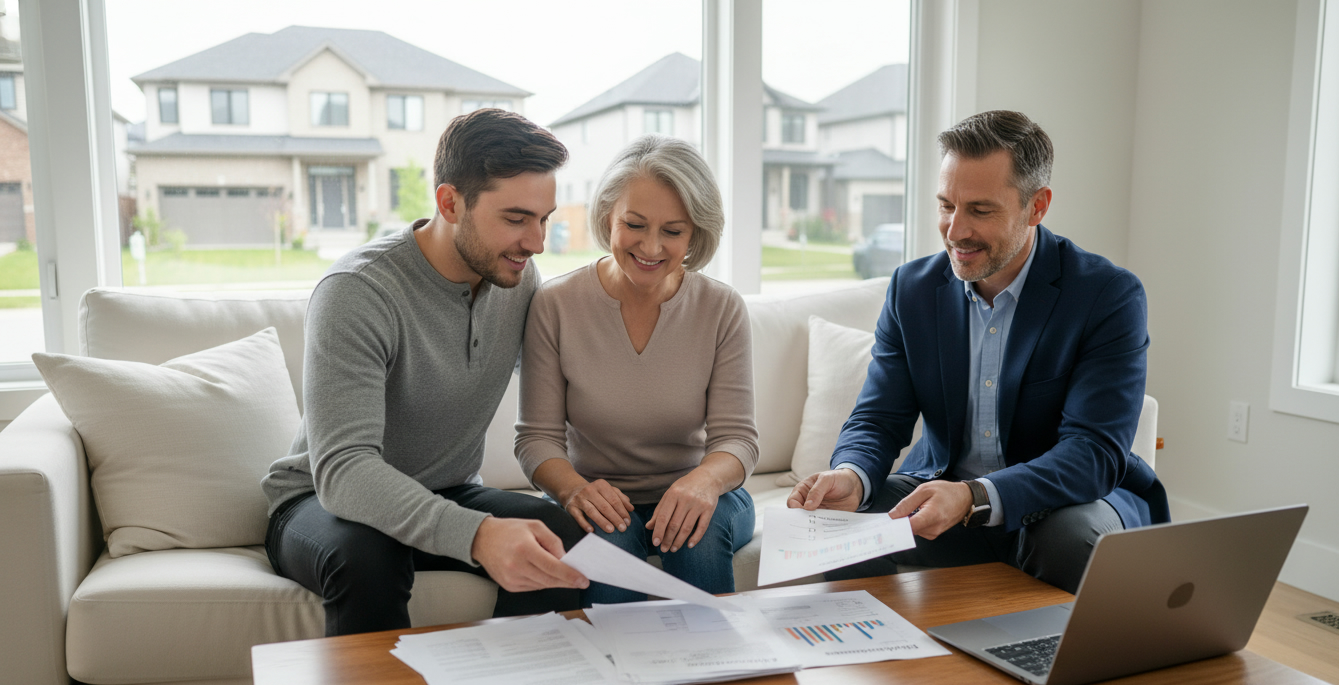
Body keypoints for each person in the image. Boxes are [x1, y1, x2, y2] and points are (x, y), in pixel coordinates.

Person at [787, 110, 1168, 594]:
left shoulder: (1106, 295)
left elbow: (1093, 452)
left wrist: (974, 498)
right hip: (943, 490)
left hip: (1067, 503)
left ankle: (1050, 663)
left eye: (980, 211)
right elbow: (878, 418)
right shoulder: (913, 289)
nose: (955, 230)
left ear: (1037, 206)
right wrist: (852, 475)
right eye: (946, 205)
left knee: (1070, 539)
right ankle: (884, 655)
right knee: (842, 519)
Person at [262, 109, 590, 637]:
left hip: (448, 489)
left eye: (544, 218)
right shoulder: (358, 291)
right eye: (516, 218)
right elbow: (345, 471)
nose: (536, 243)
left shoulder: (518, 279)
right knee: (368, 555)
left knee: (560, 533)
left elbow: (577, 390)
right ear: (449, 203)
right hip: (321, 501)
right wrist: (479, 534)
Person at [515, 135, 758, 605]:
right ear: (608, 215)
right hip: (596, 494)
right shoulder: (555, 305)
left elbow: (738, 441)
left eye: (673, 231)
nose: (651, 246)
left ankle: (716, 673)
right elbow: (535, 439)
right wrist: (573, 491)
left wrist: (703, 482)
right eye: (635, 224)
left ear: (695, 235)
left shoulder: (721, 308)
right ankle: (629, 677)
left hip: (704, 491)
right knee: (608, 547)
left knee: (697, 535)